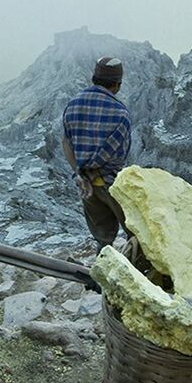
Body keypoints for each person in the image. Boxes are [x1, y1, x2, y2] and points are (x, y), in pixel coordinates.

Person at [62, 57, 132, 252]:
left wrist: (80, 171)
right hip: (111, 183)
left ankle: (101, 273)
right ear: (117, 84)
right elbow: (118, 156)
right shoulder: (120, 113)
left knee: (102, 238)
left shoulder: (72, 105)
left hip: (86, 184)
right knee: (135, 232)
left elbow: (66, 142)